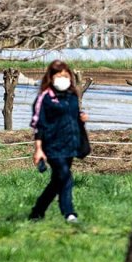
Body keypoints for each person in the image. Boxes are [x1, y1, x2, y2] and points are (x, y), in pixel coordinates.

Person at [29, 59, 87, 222]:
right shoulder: (45, 98)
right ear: (51, 77)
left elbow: (73, 117)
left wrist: (81, 118)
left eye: (65, 75)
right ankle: (69, 213)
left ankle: (37, 211)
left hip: (70, 144)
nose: (63, 78)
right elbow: (38, 124)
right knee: (65, 176)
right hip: (52, 146)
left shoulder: (72, 95)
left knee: (57, 180)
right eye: (59, 75)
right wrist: (38, 149)